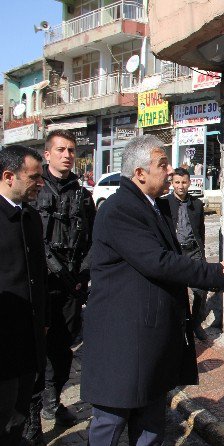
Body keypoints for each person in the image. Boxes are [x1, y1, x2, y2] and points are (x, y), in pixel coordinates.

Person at [81, 135, 224, 446]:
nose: (169, 172)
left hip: (150, 342)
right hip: (124, 343)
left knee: (151, 425)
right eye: (161, 165)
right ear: (139, 173)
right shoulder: (120, 209)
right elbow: (160, 262)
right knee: (111, 422)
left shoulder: (154, 206)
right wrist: (215, 273)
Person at [24, 130, 97, 443]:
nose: (67, 155)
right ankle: (32, 423)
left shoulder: (83, 196)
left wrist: (83, 274)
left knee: (63, 350)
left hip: (71, 288)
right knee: (34, 356)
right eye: (61, 149)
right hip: (39, 287)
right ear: (47, 154)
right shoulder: (33, 192)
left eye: (71, 150)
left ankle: (54, 403)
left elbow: (95, 240)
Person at [0, 145, 48, 445]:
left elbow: (38, 275)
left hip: (29, 339)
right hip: (2, 342)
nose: (41, 184)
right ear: (8, 176)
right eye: (34, 177)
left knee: (19, 414)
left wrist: (42, 319)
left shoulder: (30, 217)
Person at [167, 167, 209, 341]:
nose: (181, 186)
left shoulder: (197, 204)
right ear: (172, 183)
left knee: (201, 288)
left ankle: (195, 323)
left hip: (194, 251)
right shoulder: (165, 203)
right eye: (177, 182)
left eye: (184, 182)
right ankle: (178, 324)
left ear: (190, 182)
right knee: (176, 290)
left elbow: (201, 230)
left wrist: (202, 251)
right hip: (175, 252)